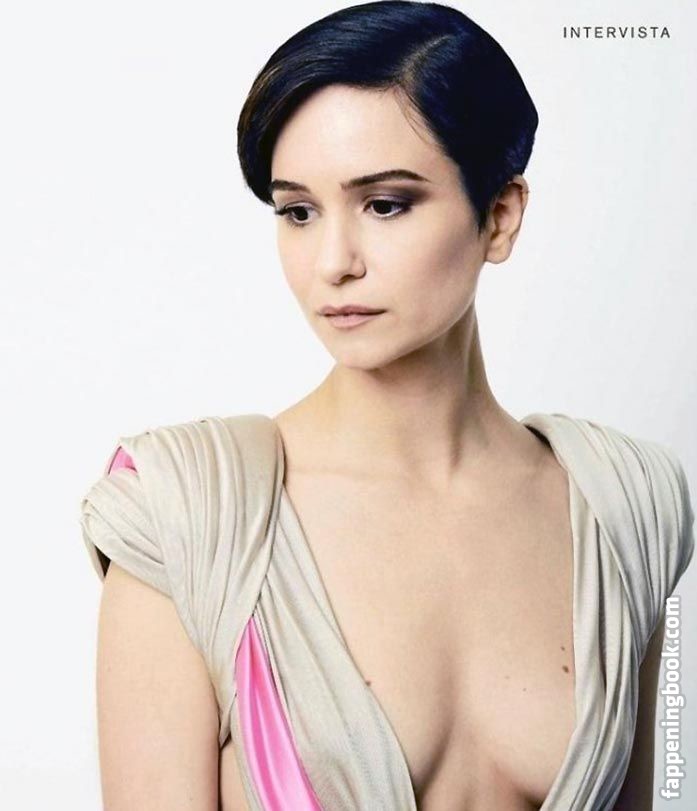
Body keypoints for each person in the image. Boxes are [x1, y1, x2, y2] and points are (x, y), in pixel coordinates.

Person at [80, 2, 695, 809]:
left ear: (499, 216)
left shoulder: (623, 503)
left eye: (385, 204)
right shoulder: (186, 509)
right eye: (298, 212)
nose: (332, 262)